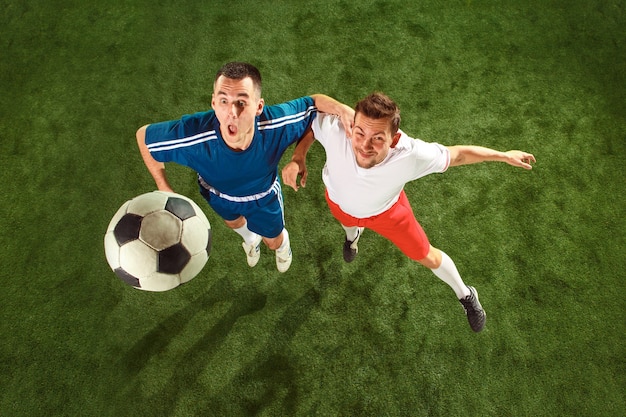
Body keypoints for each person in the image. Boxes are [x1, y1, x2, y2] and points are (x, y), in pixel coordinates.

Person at [283, 92, 536, 331]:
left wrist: (503, 156)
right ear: (352, 126)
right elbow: (312, 120)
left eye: (378, 138)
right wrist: (298, 156)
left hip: (388, 214)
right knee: (348, 225)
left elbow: (457, 155)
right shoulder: (339, 128)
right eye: (360, 133)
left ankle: (466, 293)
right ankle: (353, 237)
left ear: (393, 139)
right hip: (339, 203)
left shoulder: (411, 154)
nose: (364, 145)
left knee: (427, 256)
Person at [136, 62, 352, 273]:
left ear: (258, 107)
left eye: (241, 102)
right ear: (213, 103)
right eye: (223, 100)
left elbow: (313, 105)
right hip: (216, 194)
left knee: (273, 242)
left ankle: (283, 246)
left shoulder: (275, 124)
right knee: (234, 223)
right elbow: (144, 136)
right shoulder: (194, 135)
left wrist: (302, 152)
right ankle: (250, 241)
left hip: (263, 197)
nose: (232, 111)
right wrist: (163, 186)